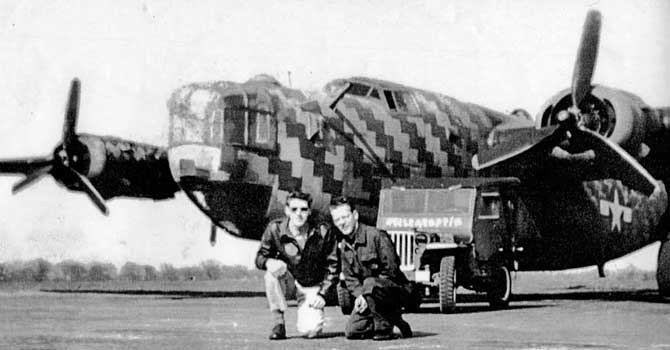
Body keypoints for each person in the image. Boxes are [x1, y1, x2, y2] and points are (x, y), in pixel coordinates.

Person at [323, 196, 413, 340]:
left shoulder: (376, 235)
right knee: (352, 331)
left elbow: (392, 270)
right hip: (369, 297)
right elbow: (350, 278)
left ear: (355, 215)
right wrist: (361, 295)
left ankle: (384, 329)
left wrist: (366, 292)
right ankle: (395, 319)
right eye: (337, 220)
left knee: (370, 282)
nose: (342, 223)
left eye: (345, 217)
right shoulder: (344, 246)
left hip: (396, 292)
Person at [255, 190, 335, 340]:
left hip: (311, 287)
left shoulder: (323, 231)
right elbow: (260, 257)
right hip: (289, 281)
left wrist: (323, 293)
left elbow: (333, 266)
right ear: (287, 211)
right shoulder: (275, 229)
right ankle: (278, 323)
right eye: (294, 209)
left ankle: (307, 308)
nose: (299, 214)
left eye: (304, 209)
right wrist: (268, 262)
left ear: (310, 211)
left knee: (310, 331)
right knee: (271, 274)